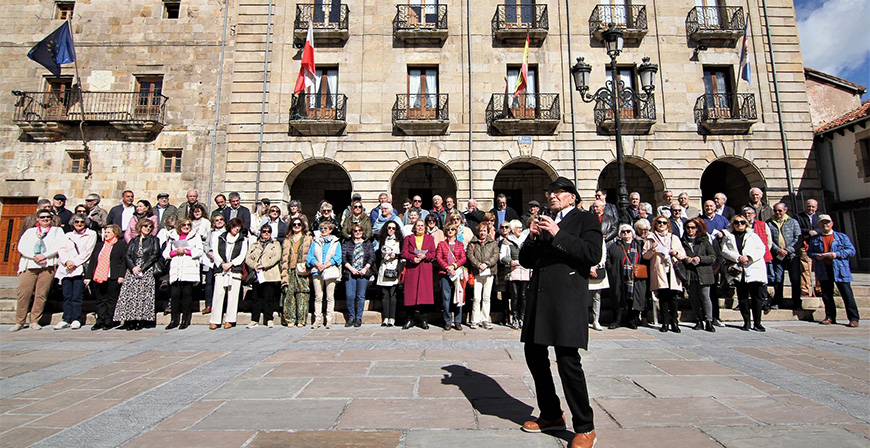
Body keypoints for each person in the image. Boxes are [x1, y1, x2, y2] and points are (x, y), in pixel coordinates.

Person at [518, 176, 601, 448]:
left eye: (558, 192)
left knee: (567, 360)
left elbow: (592, 254)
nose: (552, 196)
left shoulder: (585, 219)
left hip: (566, 299)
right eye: (549, 192)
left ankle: (585, 427)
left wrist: (557, 233)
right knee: (534, 354)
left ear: (572, 197)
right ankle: (551, 414)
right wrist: (531, 239)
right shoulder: (544, 220)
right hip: (540, 298)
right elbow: (526, 260)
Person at [11, 210, 65, 331]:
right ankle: (19, 321)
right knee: (24, 293)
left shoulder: (57, 231)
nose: (45, 219)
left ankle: (35, 320)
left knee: (41, 294)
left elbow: (59, 245)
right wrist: (34, 256)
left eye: (48, 217)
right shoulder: (30, 232)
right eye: (42, 217)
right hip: (30, 264)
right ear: (37, 219)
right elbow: (21, 246)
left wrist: (44, 256)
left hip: (47, 265)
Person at [808, 215, 859, 327]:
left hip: (840, 269)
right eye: (822, 223)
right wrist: (817, 256)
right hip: (824, 269)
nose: (825, 225)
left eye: (827, 223)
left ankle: (853, 318)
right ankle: (830, 316)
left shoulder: (841, 237)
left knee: (847, 294)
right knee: (827, 295)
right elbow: (809, 252)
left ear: (832, 224)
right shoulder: (815, 239)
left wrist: (837, 254)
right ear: (819, 225)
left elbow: (851, 251)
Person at [721, 215, 767, 331]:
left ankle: (757, 322)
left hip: (753, 269)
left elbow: (761, 249)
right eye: (736, 222)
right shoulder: (728, 237)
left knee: (756, 297)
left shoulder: (753, 236)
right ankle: (746, 322)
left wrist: (749, 257)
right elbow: (724, 250)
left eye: (742, 222)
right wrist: (738, 257)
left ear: (746, 224)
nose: (739, 225)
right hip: (739, 270)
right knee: (742, 297)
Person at [114, 219, 161, 331]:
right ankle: (130, 320)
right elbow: (127, 255)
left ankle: (140, 320)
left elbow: (155, 254)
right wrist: (133, 267)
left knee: (143, 295)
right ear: (140, 227)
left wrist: (142, 268)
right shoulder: (134, 240)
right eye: (145, 226)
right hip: (133, 269)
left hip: (146, 269)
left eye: (150, 227)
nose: (147, 229)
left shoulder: (154, 240)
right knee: (130, 295)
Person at [54, 214, 97, 329]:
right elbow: (62, 249)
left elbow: (88, 252)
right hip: (66, 268)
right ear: (73, 223)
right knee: (66, 295)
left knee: (77, 295)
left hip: (79, 267)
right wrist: (67, 261)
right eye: (76, 222)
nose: (79, 224)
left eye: (82, 222)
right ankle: (66, 318)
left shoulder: (91, 234)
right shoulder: (67, 235)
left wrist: (75, 262)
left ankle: (76, 318)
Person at [644, 215, 686, 333]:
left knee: (673, 297)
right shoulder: (650, 238)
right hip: (659, 270)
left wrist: (675, 252)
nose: (661, 225)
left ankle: (675, 322)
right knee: (663, 297)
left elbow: (682, 254)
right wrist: (652, 251)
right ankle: (665, 322)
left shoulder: (673, 238)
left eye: (664, 223)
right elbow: (645, 255)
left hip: (672, 270)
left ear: (668, 225)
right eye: (659, 223)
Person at [84, 225, 127, 330]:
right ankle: (100, 321)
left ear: (115, 233)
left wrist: (121, 275)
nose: (106, 234)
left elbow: (123, 262)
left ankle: (109, 321)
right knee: (100, 299)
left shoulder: (120, 245)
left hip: (112, 276)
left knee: (111, 300)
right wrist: (88, 276)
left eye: (108, 232)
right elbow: (93, 261)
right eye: (105, 232)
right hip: (99, 276)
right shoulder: (99, 245)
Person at [162, 218, 203, 330]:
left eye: (188, 225)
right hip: (176, 269)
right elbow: (166, 253)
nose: (186, 227)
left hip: (188, 269)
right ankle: (174, 319)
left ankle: (185, 320)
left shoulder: (195, 236)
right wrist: (175, 252)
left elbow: (199, 251)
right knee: (174, 295)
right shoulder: (172, 236)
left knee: (186, 295)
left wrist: (186, 251)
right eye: (184, 225)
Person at [209, 218, 247, 329]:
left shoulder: (243, 239)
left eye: (239, 227)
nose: (237, 229)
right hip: (221, 270)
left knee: (233, 296)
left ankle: (230, 319)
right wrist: (222, 264)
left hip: (234, 270)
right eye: (235, 226)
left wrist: (231, 264)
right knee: (218, 295)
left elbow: (242, 255)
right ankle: (215, 320)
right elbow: (215, 252)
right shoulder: (219, 237)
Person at [680, 218, 716, 332]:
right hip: (690, 273)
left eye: (693, 227)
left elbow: (712, 257)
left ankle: (709, 320)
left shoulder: (704, 241)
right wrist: (685, 259)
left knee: (705, 297)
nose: (690, 230)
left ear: (697, 229)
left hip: (703, 272)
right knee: (694, 298)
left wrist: (700, 259)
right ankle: (698, 320)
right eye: (688, 227)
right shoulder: (683, 241)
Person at [606, 224, 645, 329]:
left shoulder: (639, 245)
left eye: (628, 231)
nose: (626, 233)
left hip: (634, 277)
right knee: (618, 298)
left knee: (632, 299)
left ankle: (631, 321)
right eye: (623, 232)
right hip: (619, 275)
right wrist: (611, 269)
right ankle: (616, 321)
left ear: (632, 233)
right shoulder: (615, 246)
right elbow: (608, 258)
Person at [401, 219, 437, 329]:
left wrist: (425, 256)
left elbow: (433, 253)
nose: (420, 228)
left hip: (425, 268)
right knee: (410, 295)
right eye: (418, 226)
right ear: (414, 227)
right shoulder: (409, 238)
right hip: (412, 268)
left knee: (424, 295)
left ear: (425, 228)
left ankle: (423, 320)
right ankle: (409, 319)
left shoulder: (429, 238)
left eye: (422, 226)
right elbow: (404, 252)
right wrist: (412, 258)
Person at [245, 224, 282, 328]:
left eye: (268, 231)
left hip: (269, 273)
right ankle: (254, 319)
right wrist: (255, 265)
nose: (266, 233)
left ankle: (269, 318)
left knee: (268, 297)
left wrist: (264, 265)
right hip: (257, 274)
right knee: (256, 297)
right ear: (260, 233)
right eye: (264, 231)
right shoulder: (254, 245)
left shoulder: (275, 244)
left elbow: (276, 257)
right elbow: (248, 258)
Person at [308, 221, 342, 328]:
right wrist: (317, 264)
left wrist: (326, 265)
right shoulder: (315, 242)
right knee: (318, 296)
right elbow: (310, 257)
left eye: (325, 229)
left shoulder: (336, 242)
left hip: (330, 270)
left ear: (330, 230)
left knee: (329, 296)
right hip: (317, 270)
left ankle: (329, 318)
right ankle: (317, 318)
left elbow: (338, 257)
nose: (323, 231)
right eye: (321, 229)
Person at [280, 217, 312, 327]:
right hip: (290, 270)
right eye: (294, 225)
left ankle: (301, 320)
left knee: (302, 295)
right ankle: (290, 319)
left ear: (302, 226)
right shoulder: (287, 239)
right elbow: (284, 257)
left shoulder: (307, 238)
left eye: (299, 224)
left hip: (302, 270)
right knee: (289, 295)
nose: (297, 226)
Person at [342, 224, 375, 327]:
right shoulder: (347, 243)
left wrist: (365, 269)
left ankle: (359, 317)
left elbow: (372, 257)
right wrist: (352, 269)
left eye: (359, 230)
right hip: (350, 272)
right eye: (355, 231)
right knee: (350, 296)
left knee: (361, 296)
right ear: (352, 232)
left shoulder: (367, 243)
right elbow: (343, 258)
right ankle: (351, 317)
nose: (357, 232)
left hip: (363, 273)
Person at [466, 222, 498, 329]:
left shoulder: (493, 243)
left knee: (486, 297)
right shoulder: (473, 242)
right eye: (480, 231)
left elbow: (495, 255)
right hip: (477, 272)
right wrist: (478, 264)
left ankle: (485, 319)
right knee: (476, 297)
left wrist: (487, 263)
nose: (482, 233)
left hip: (489, 272)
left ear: (488, 232)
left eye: (484, 231)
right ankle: (475, 320)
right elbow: (470, 255)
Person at [436, 223, 467, 331]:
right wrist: (447, 268)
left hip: (457, 273)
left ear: (455, 231)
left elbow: (463, 258)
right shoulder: (441, 244)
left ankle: (458, 321)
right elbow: (438, 258)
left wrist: (454, 266)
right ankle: (448, 321)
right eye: (448, 229)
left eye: (452, 229)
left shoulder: (460, 244)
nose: (450, 231)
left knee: (459, 296)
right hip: (445, 274)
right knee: (446, 298)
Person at [501, 220, 530, 329]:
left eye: (521, 227)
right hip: (513, 271)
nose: (520, 229)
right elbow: (502, 256)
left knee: (523, 295)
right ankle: (515, 317)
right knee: (515, 295)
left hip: (524, 270)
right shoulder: (507, 241)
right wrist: (510, 261)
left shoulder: (525, 239)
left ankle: (522, 317)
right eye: (518, 227)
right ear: (513, 229)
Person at [376, 221, 404, 327]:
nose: (391, 230)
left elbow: (402, 254)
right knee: (385, 295)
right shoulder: (383, 240)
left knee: (393, 294)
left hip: (394, 267)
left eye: (393, 228)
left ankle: (392, 318)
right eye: (389, 228)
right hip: (384, 267)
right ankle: (385, 317)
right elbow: (379, 253)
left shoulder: (399, 241)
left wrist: (395, 255)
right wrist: (382, 255)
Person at [202, 214, 226, 315]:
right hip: (210, 261)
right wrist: (210, 252)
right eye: (217, 220)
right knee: (208, 283)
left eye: (221, 219)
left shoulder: (226, 233)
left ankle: (221, 305)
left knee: (221, 284)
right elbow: (206, 244)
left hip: (221, 261)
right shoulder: (211, 233)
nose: (219, 221)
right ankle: (208, 305)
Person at [797, 199, 821, 297]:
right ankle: (804, 289)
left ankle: (819, 289)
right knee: (805, 268)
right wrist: (807, 232)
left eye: (813, 207)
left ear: (816, 207)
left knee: (819, 268)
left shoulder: (820, 216)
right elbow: (797, 229)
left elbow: (825, 227)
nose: (810, 208)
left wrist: (816, 232)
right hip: (805, 245)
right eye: (809, 206)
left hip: (818, 246)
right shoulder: (799, 217)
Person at [632, 219, 653, 326]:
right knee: (638, 293)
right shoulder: (634, 240)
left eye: (646, 230)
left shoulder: (651, 239)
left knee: (647, 294)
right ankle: (635, 316)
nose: (644, 232)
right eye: (641, 230)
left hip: (650, 268)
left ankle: (645, 316)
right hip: (639, 269)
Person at [588, 238, 608, 332]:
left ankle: (596, 320)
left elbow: (603, 254)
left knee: (597, 296)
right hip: (584, 269)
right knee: (582, 296)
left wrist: (595, 266)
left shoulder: (600, 238)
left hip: (597, 269)